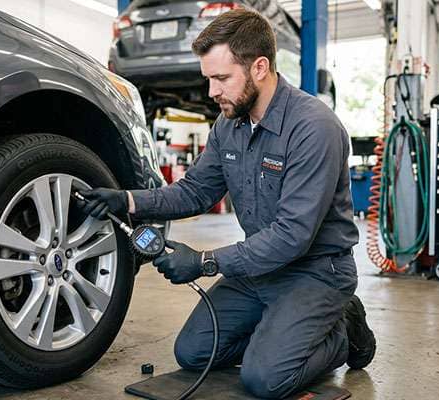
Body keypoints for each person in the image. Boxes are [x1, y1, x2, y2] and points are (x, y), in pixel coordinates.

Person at [79, 8, 376, 399]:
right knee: (192, 353)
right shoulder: (228, 126)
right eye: (208, 79)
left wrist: (205, 262)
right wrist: (128, 200)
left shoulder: (313, 127)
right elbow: (195, 192)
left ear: (260, 68)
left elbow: (292, 236)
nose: (211, 92)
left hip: (315, 271)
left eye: (221, 78)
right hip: (259, 269)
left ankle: (344, 329)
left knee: (265, 380)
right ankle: (283, 332)